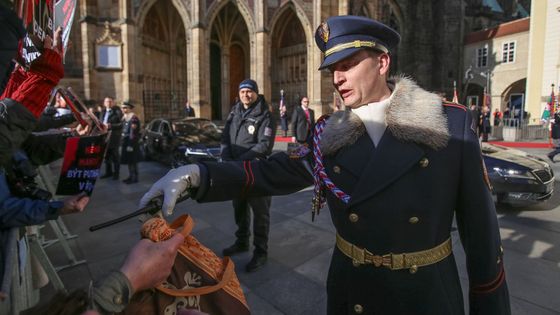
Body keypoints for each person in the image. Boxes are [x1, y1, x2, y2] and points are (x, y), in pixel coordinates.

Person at [140, 16, 510, 314]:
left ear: (382, 62)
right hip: (353, 293)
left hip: (424, 296)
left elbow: (483, 238)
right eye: (332, 68)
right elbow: (270, 173)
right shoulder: (328, 135)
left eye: (348, 65)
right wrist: (198, 175)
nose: (337, 78)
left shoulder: (449, 123)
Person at [220, 79, 275, 272]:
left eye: (249, 91)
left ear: (256, 93)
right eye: (242, 91)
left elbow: (264, 145)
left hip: (256, 172)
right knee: (239, 208)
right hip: (236, 171)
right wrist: (225, 154)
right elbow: (225, 136)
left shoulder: (265, 115)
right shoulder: (234, 112)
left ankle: (261, 252)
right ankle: (242, 241)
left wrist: (241, 159)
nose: (245, 94)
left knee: (260, 214)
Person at [100, 97, 123, 180]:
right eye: (107, 101)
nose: (108, 103)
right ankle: (108, 172)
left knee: (115, 156)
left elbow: (121, 124)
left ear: (113, 103)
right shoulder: (102, 112)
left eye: (110, 101)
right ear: (104, 103)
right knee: (107, 156)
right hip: (104, 137)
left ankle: (116, 174)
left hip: (114, 137)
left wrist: (111, 126)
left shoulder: (117, 112)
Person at [120, 101, 141, 184]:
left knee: (133, 161)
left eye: (125, 108)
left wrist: (130, 144)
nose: (123, 109)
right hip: (126, 142)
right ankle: (130, 176)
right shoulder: (125, 117)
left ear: (129, 109)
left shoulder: (133, 118)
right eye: (122, 108)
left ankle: (134, 178)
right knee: (129, 161)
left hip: (131, 143)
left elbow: (133, 132)